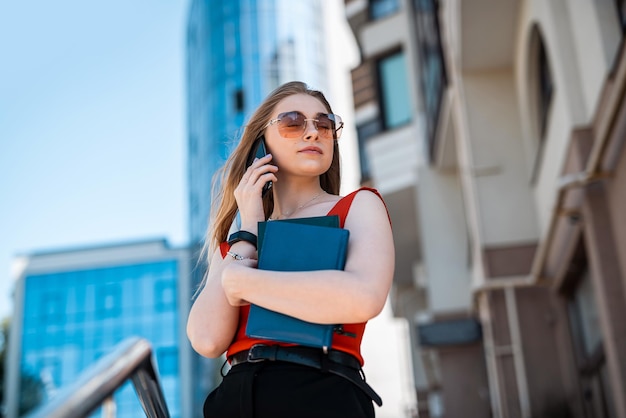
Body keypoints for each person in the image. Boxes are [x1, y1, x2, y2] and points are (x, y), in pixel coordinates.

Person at [187, 81, 395, 418]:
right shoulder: (239, 238)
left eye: (324, 123)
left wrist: (244, 283)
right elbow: (208, 340)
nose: (312, 133)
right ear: (261, 145)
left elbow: (363, 297)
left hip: (321, 393)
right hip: (234, 399)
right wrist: (250, 224)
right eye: (293, 122)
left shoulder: (358, 206)